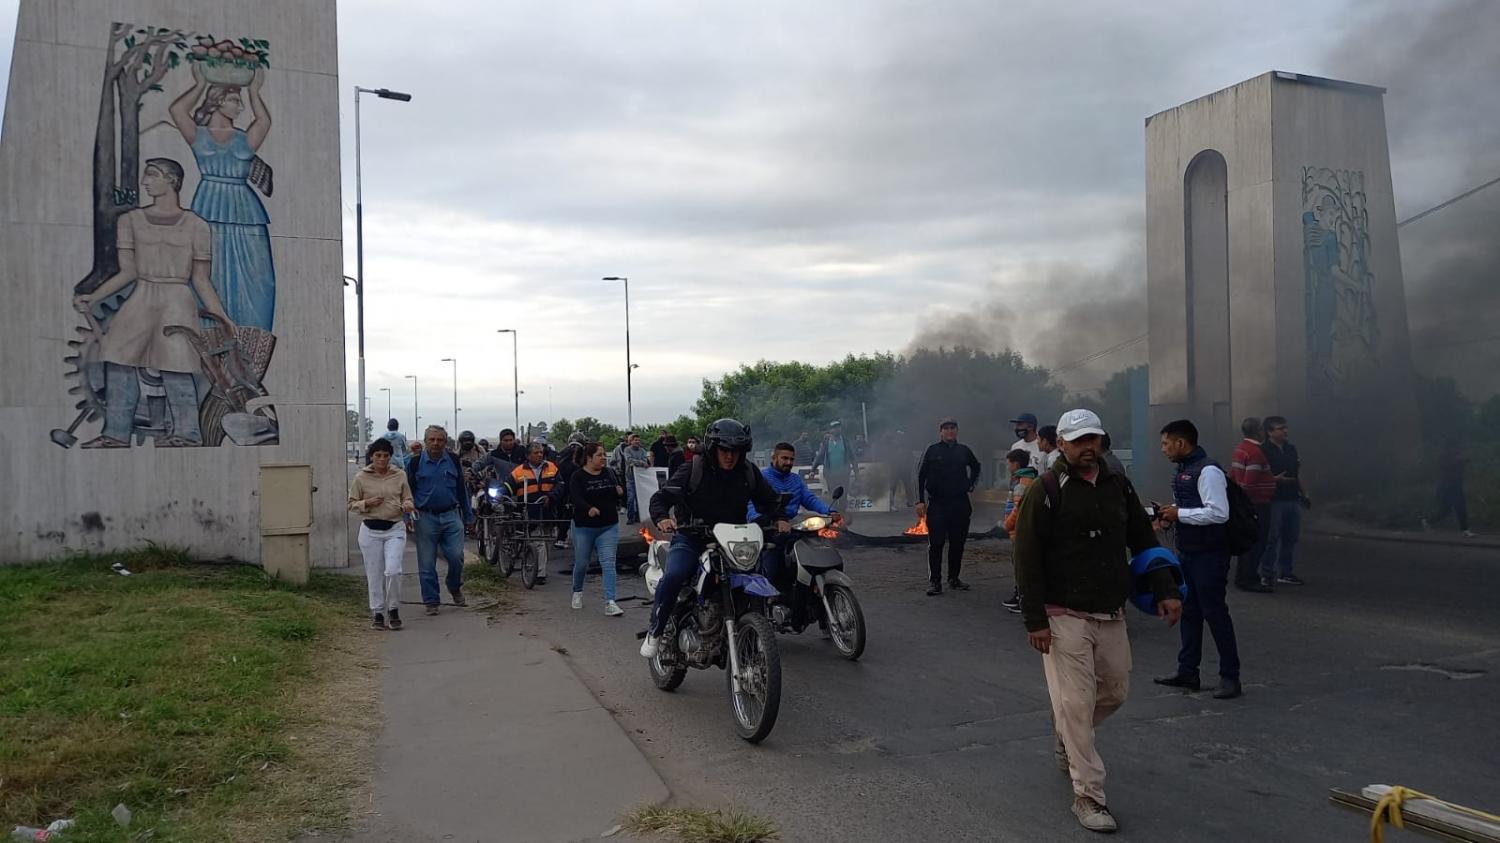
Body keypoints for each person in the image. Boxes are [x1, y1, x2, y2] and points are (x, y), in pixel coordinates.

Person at [1012, 408, 1183, 834]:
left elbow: (1141, 538)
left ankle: (1066, 735)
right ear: (1063, 445)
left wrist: (1164, 588)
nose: (1089, 447)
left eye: (1095, 439)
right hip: (1062, 612)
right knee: (1076, 702)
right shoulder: (1046, 489)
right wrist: (1034, 618)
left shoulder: (1116, 484)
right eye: (1080, 440)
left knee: (1116, 692)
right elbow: (1027, 556)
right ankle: (1088, 795)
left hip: (1111, 609)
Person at [72, 158, 233, 449]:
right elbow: (128, 272)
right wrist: (94, 297)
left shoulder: (197, 225)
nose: (145, 181)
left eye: (152, 175)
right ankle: (116, 434)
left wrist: (222, 316)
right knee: (118, 359)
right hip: (142, 294)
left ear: (172, 180)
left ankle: (186, 434)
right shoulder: (130, 220)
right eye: (146, 175)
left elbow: (201, 279)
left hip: (176, 299)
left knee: (177, 366)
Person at [642, 419, 787, 658]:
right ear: (713, 448)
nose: (730, 457)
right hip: (692, 538)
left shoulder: (748, 472)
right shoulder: (693, 469)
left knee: (759, 571)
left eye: (736, 451)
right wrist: (662, 519)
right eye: (725, 451)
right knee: (676, 574)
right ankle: (656, 631)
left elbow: (770, 500)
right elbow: (661, 499)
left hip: (733, 541)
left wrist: (780, 517)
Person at [168, 62, 275, 331]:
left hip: (245, 210)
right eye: (234, 101)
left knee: (257, 279)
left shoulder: (244, 139)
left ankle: (251, 336)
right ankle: (214, 335)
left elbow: (264, 121)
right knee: (209, 273)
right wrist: (201, 83)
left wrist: (254, 91)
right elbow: (177, 110)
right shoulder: (199, 136)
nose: (240, 108)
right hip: (210, 206)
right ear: (217, 103)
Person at [1153, 419, 1243, 700]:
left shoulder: (1209, 471)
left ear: (1181, 443)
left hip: (1210, 554)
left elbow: (1218, 513)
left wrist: (1179, 514)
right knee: (1189, 612)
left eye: (1166, 444)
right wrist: (1170, 515)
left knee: (1215, 613)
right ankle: (1188, 671)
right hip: (1189, 552)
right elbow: (1194, 507)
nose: (1163, 449)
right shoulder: (1186, 471)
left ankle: (1230, 678)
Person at [748, 442, 842, 596]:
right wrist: (764, 521)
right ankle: (770, 598)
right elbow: (751, 505)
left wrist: (829, 511)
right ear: (774, 458)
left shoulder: (795, 480)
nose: (788, 463)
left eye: (791, 459)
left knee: (818, 546)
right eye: (784, 458)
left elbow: (809, 499)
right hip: (768, 529)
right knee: (772, 565)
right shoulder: (762, 478)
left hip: (792, 527)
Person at [404, 426, 475, 615]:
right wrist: (406, 517)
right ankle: (431, 601)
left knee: (456, 556)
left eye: (440, 440)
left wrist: (469, 515)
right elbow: (407, 492)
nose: (436, 443)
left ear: (446, 442)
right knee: (426, 563)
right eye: (432, 440)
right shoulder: (415, 463)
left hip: (451, 515)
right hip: (425, 517)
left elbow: (461, 489)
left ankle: (454, 586)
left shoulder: (452, 460)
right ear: (426, 441)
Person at [349, 438, 414, 629]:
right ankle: (378, 612)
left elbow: (408, 497)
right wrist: (367, 503)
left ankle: (393, 608)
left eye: (386, 456)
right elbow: (351, 503)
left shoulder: (400, 475)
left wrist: (408, 505)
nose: (382, 459)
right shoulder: (361, 477)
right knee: (374, 573)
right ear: (372, 456)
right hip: (370, 530)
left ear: (390, 457)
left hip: (394, 528)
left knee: (393, 570)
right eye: (378, 455)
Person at [916, 418, 981, 596]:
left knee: (957, 543)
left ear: (957, 431)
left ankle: (953, 578)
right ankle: (934, 582)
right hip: (938, 503)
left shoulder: (964, 451)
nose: (950, 431)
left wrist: (971, 483)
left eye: (953, 428)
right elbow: (920, 476)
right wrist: (919, 500)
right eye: (946, 428)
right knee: (936, 544)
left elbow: (976, 466)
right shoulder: (932, 450)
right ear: (940, 432)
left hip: (960, 503)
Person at [569, 443, 626, 616]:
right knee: (582, 563)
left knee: (608, 562)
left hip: (608, 526)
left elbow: (618, 493)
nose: (604, 458)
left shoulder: (609, 473)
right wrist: (588, 509)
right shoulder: (577, 477)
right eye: (600, 455)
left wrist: (620, 492)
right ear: (589, 457)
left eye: (604, 455)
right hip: (584, 527)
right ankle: (577, 592)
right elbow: (575, 498)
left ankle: (610, 601)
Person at [1259, 416, 1308, 587]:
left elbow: (1297, 472)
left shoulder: (1291, 449)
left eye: (1285, 428)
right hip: (1274, 500)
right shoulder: (1263, 450)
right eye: (1280, 428)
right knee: (1271, 538)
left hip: (1292, 498)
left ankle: (1286, 572)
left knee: (1291, 537)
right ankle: (1267, 573)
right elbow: (1257, 476)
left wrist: (1304, 493)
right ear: (1269, 432)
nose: (1285, 431)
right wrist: (1275, 480)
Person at [1230, 418, 1277, 592]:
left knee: (1248, 540)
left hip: (1247, 504)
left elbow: (1234, 476)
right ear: (1259, 431)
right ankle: (1247, 578)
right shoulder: (1255, 452)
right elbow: (1249, 484)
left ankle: (1245, 576)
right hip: (1257, 504)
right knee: (1257, 541)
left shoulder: (1240, 449)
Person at [1001, 448, 1038, 614]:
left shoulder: (1023, 482)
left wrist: (1007, 524)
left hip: (1019, 530)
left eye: (1009, 463)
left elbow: (1018, 508)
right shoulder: (1022, 479)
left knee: (1022, 566)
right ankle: (1019, 596)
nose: (1007, 467)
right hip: (1017, 530)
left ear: (1015, 463)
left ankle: (1023, 599)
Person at [1424, 443, 1476, 537]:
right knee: (1458, 508)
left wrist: (1463, 459)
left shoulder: (1458, 459)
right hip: (1447, 487)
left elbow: (1467, 460)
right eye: (1456, 449)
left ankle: (1427, 522)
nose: (1459, 451)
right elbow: (1446, 467)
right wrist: (1458, 460)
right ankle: (1465, 530)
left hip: (1454, 487)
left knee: (1447, 510)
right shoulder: (1446, 459)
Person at [552, 432, 589, 550]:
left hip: (559, 484)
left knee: (560, 510)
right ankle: (563, 538)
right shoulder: (581, 452)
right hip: (575, 485)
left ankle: (560, 535)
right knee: (573, 512)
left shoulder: (562, 452)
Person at [812, 421, 857, 510]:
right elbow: (819, 456)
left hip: (843, 473)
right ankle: (834, 513)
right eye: (834, 427)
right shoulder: (826, 443)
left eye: (838, 427)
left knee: (843, 495)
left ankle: (843, 514)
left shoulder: (845, 441)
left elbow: (853, 458)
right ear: (830, 430)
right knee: (833, 494)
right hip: (830, 474)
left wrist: (857, 473)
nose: (837, 429)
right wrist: (813, 469)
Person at [613, 432, 652, 524]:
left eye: (638, 440)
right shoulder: (627, 450)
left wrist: (639, 463)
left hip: (640, 478)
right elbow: (629, 460)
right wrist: (641, 463)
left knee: (640, 499)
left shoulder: (642, 451)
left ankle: (638, 516)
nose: (637, 441)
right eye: (635, 440)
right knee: (631, 498)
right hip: (630, 478)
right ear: (631, 441)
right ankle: (630, 517)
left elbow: (644, 460)